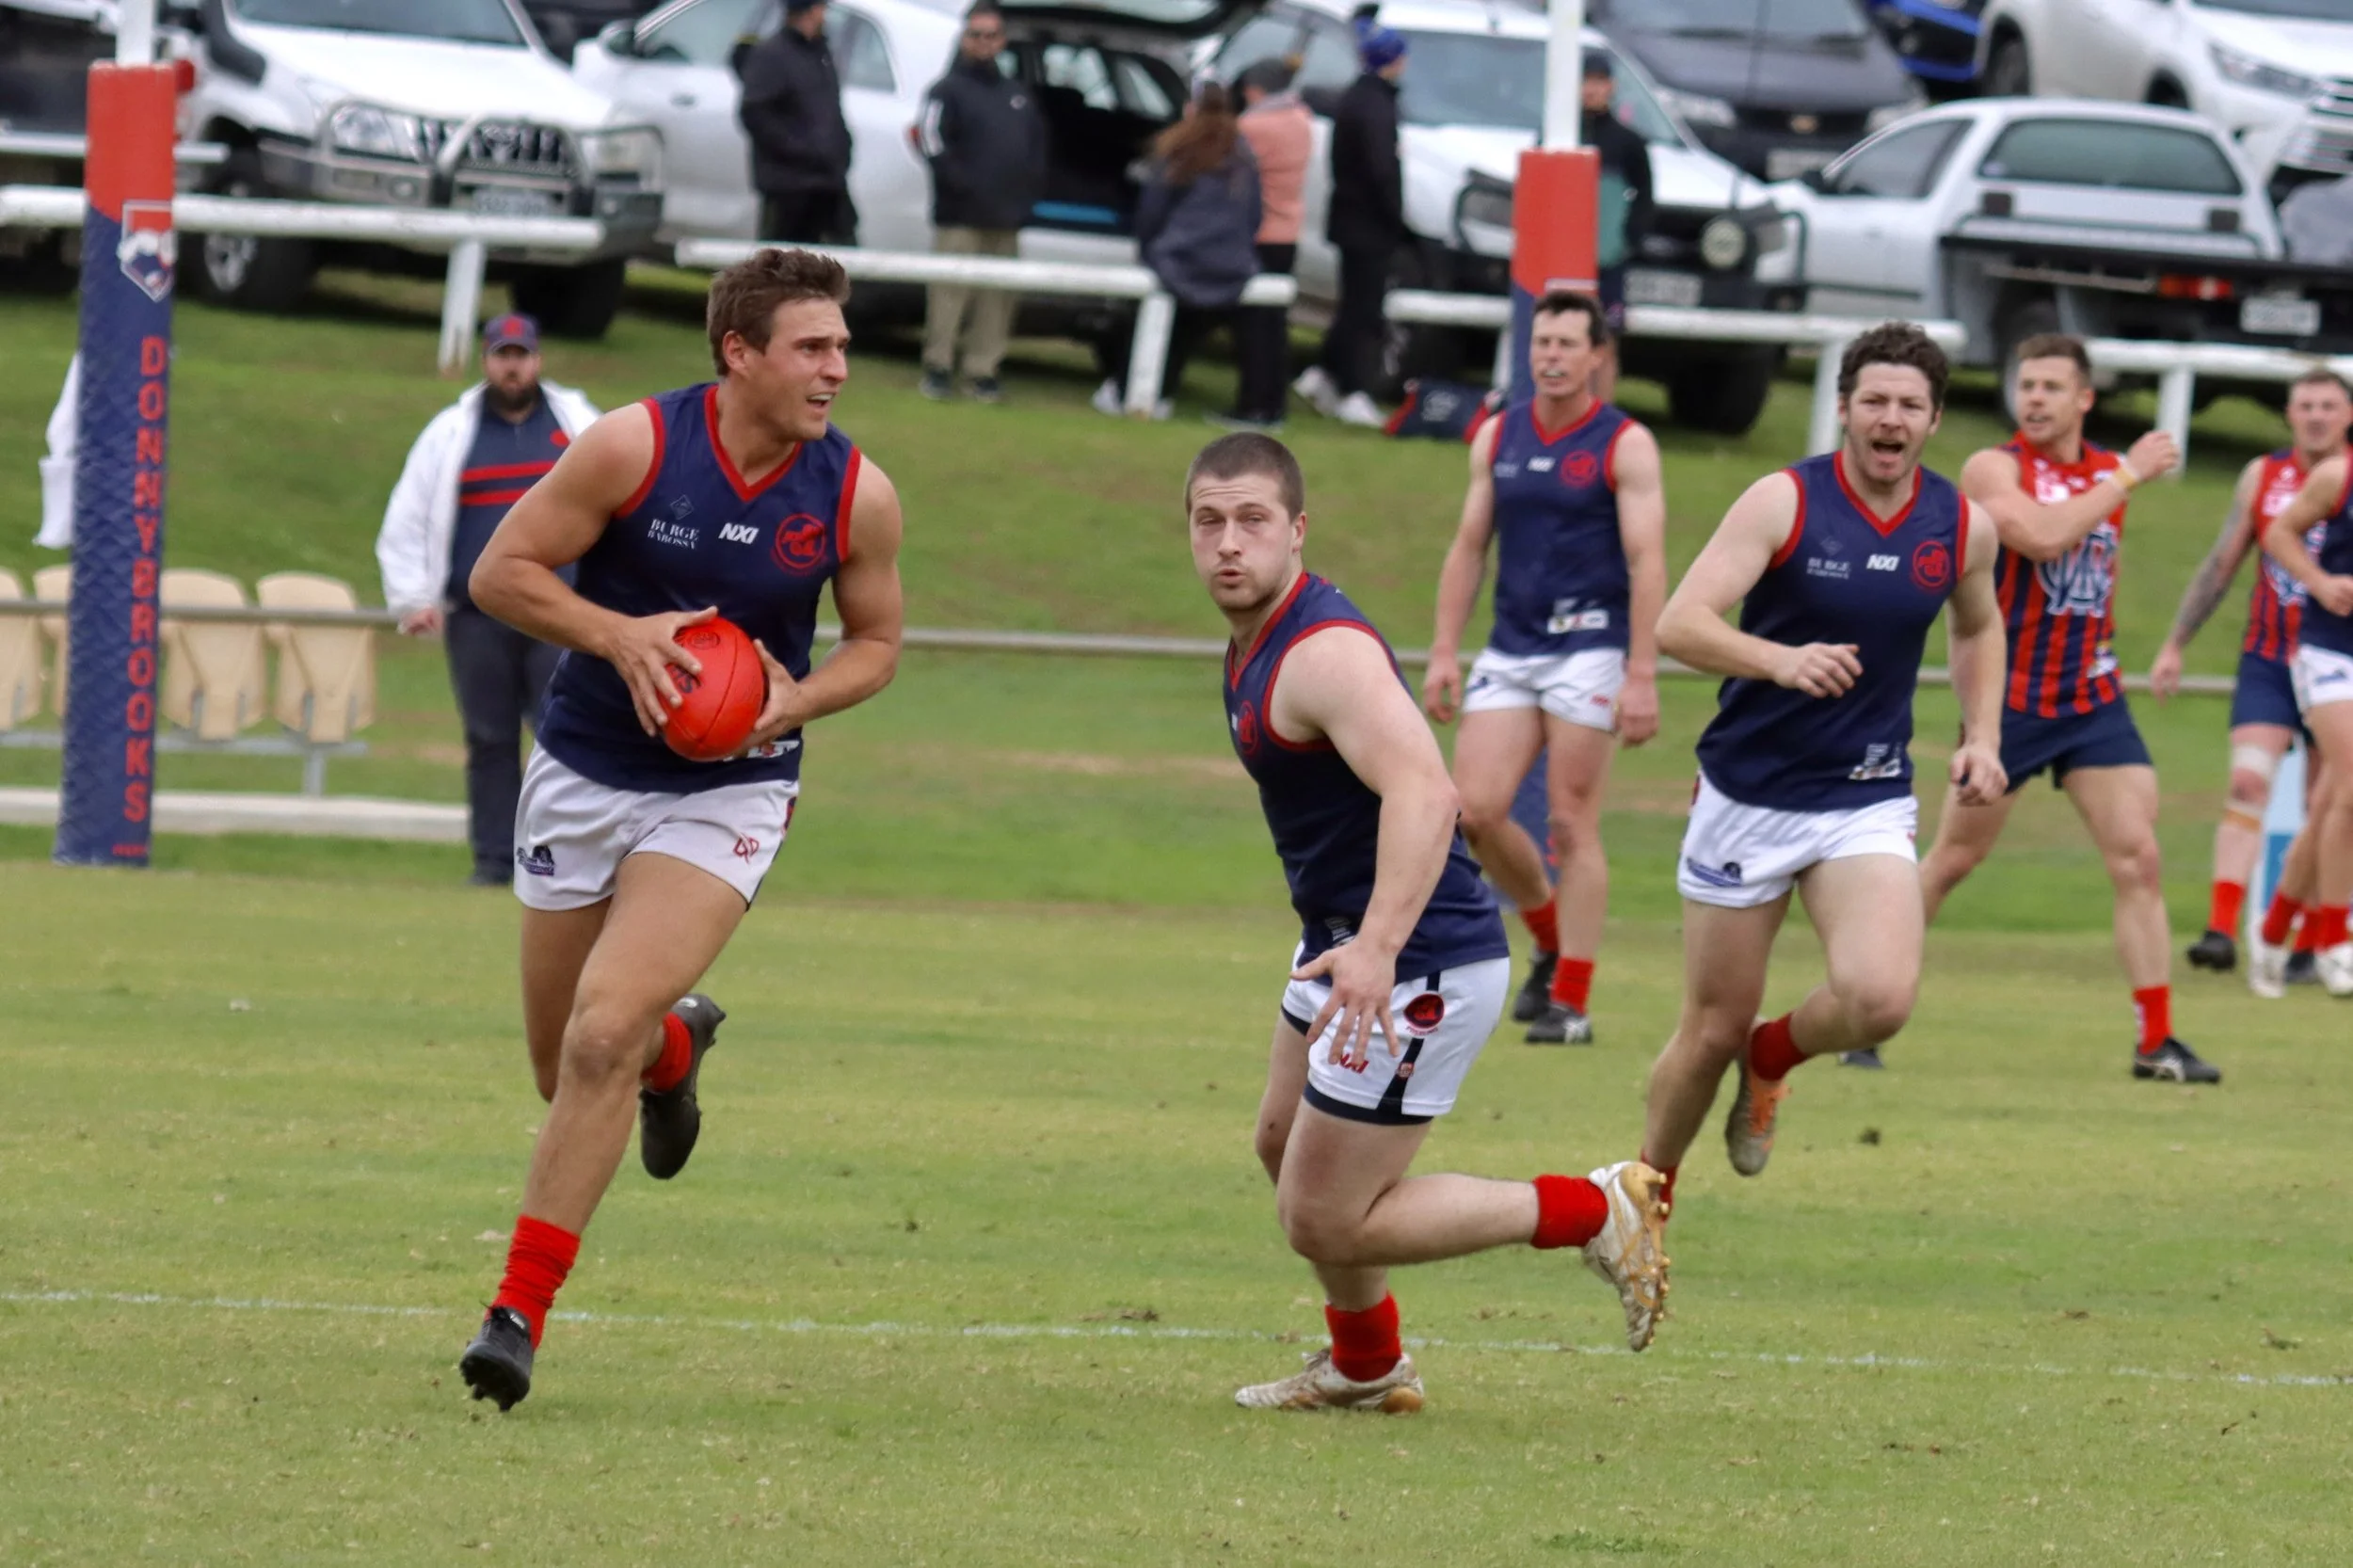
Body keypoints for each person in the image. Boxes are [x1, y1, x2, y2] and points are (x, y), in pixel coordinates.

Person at [454, 249, 905, 1410]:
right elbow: (502, 573)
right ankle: (676, 1049)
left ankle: (515, 1316)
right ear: (738, 352)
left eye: (842, 346)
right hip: (585, 769)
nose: (835, 368)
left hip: (729, 793)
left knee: (600, 1034)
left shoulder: (855, 492)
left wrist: (791, 701)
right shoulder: (632, 446)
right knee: (565, 1061)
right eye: (812, 347)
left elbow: (875, 645)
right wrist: (620, 635)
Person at [1189, 431, 1666, 1415]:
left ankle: (1593, 1207)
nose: (1227, 543)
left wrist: (1377, 946)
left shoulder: (1321, 653)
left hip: (1419, 957)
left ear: (1297, 531)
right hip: (1340, 937)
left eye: (1251, 520)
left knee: (1322, 1215)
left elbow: (1426, 791)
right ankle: (1365, 1368)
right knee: (1283, 1146)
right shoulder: (1252, 639)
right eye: (1207, 521)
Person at [1641, 322, 2005, 1204]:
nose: (1890, 419)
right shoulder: (1783, 501)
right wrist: (1780, 659)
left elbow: (1978, 625)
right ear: (1843, 409)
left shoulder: (1961, 525)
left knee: (1880, 998)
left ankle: (1777, 1052)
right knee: (1710, 1027)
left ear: (1933, 419)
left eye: (1909, 405)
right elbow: (1678, 623)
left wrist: (1982, 735)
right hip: (1749, 796)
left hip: (1866, 795)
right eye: (1873, 401)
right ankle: (1643, 1201)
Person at [1916, 334, 2221, 1084]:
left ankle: (2156, 1042)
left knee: (2138, 857)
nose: (2036, 399)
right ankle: (1863, 998)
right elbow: (2040, 537)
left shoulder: (2100, 472)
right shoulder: (1997, 465)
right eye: (2027, 385)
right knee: (1954, 859)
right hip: (2010, 698)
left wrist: (2115, 475)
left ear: (2085, 398)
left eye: (2053, 386)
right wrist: (2127, 475)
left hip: (2090, 694)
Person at [1421, 292, 1666, 1045]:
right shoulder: (1498, 436)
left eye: (1567, 344)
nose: (1552, 357)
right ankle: (1551, 939)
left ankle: (1573, 1002)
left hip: (1590, 647)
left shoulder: (1625, 444)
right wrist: (1442, 650)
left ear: (1597, 356)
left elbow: (1645, 557)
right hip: (1512, 648)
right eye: (1542, 343)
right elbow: (1469, 548)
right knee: (1474, 811)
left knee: (1569, 820)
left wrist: (1643, 671)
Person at [376, 314, 600, 887]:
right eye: (502, 354)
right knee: (489, 739)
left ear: (538, 359)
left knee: (563, 736)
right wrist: (411, 596)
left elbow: (617, 503)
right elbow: (410, 513)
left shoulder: (576, 424)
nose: (512, 365)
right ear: (486, 360)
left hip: (560, 612)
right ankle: (495, 860)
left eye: (521, 354)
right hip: (478, 615)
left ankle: (560, 861)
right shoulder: (452, 432)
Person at [2150, 368, 2353, 987]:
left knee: (2330, 801)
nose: (2316, 416)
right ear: (2289, 415)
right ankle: (2221, 928)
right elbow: (2223, 560)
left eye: (2328, 405)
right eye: (2304, 406)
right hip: (2273, 655)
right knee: (2248, 781)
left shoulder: (2345, 478)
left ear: (2347, 414)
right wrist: (2175, 643)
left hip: (2333, 650)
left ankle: (2301, 938)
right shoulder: (2263, 476)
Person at [1090, 82, 1261, 420]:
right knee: (1183, 337)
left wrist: (1150, 251)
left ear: (1190, 108)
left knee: (1149, 329)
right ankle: (1161, 394)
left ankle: (1129, 392)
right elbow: (1254, 215)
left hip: (1179, 262)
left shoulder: (1177, 146)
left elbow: (1152, 210)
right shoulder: (1244, 156)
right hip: (1231, 269)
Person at [914, 1, 1045, 404]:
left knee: (997, 299)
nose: (983, 42)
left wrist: (1026, 195)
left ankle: (982, 371)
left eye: (991, 35)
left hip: (1007, 218)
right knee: (950, 293)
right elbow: (930, 140)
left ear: (1002, 41)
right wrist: (960, 185)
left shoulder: (1017, 95)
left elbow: (1037, 149)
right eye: (976, 35)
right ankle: (938, 366)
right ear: (964, 38)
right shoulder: (945, 90)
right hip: (960, 215)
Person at [2260, 438, 2353, 997]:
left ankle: (2272, 932)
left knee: (2328, 805)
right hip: (2330, 651)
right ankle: (2334, 941)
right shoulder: (2339, 476)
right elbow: (2277, 532)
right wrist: (2319, 582)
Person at [1291, 9, 1404, 431]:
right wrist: (1396, 215)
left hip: (1350, 220)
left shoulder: (1356, 98)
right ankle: (1354, 390)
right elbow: (1381, 169)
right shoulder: (1375, 106)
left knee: (1353, 305)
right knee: (1364, 310)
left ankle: (1323, 373)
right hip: (1368, 225)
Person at [1216, 58, 1312, 432]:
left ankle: (1253, 407)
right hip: (1289, 234)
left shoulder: (1253, 127)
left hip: (1260, 235)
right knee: (1275, 327)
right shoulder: (1301, 119)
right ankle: (1273, 405)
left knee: (1253, 327)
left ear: (1255, 90)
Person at [738, 0, 856, 245]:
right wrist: (799, 148)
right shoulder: (772, 55)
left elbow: (830, 110)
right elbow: (755, 114)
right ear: (810, 11)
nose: (824, 16)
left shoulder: (820, 54)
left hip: (828, 185)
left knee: (838, 264)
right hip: (788, 188)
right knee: (782, 269)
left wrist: (842, 147)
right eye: (821, 9)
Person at [1579, 53, 1652, 405]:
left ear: (1611, 87)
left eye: (1599, 82)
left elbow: (1645, 197)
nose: (1592, 90)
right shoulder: (1561, 132)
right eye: (1586, 81)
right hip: (1566, 260)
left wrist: (1627, 241)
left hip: (1608, 262)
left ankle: (1600, 417)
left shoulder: (1628, 142)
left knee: (1605, 343)